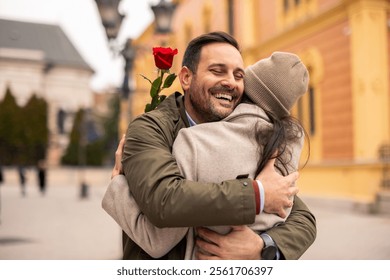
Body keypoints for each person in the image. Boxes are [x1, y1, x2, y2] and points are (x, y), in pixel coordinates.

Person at [104, 32, 316, 260]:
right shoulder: (150, 129)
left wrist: (261, 246)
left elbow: (302, 218)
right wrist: (258, 194)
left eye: (238, 75)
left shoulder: (253, 136)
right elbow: (163, 200)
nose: (230, 82)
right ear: (186, 78)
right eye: (217, 71)